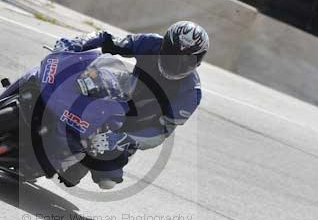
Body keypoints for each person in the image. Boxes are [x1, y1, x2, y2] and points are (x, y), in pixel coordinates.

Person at [54, 21, 209, 190]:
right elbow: (107, 40)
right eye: (172, 54)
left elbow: (162, 132)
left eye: (186, 59)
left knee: (104, 181)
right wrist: (77, 42)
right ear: (163, 46)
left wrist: (124, 138)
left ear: (198, 61)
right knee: (88, 78)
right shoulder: (150, 43)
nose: (177, 64)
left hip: (135, 127)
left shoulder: (190, 93)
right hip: (123, 92)